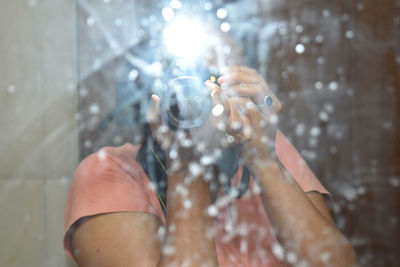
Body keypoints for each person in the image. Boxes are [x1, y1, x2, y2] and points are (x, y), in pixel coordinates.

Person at [63, 62, 357, 266]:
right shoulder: (110, 172)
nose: (190, 96)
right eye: (175, 82)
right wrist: (186, 163)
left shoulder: (265, 144)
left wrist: (262, 157)